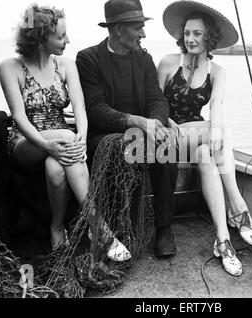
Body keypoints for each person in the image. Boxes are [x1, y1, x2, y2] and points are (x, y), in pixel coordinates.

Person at [0, 4, 130, 261]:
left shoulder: (66, 65)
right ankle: (98, 227)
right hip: (25, 141)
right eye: (60, 36)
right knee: (65, 138)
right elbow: (19, 117)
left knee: (56, 168)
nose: (67, 40)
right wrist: (50, 144)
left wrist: (81, 135)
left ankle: (57, 228)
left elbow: (80, 108)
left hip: (60, 138)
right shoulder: (9, 67)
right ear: (39, 37)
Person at [157, 0, 252, 276]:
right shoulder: (169, 62)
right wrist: (168, 121)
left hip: (195, 142)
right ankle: (239, 207)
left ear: (209, 38)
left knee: (209, 152)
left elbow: (216, 106)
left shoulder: (218, 72)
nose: (191, 39)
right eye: (187, 33)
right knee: (220, 131)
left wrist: (214, 130)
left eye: (198, 34)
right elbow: (154, 103)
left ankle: (223, 240)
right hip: (166, 140)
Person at [76, 0, 179, 258]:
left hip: (140, 132)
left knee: (165, 146)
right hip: (103, 136)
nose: (143, 34)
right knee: (122, 144)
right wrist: (137, 121)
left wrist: (155, 123)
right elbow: (96, 109)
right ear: (118, 29)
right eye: (137, 27)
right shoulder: (88, 59)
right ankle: (118, 224)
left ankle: (164, 228)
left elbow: (157, 99)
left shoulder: (143, 58)